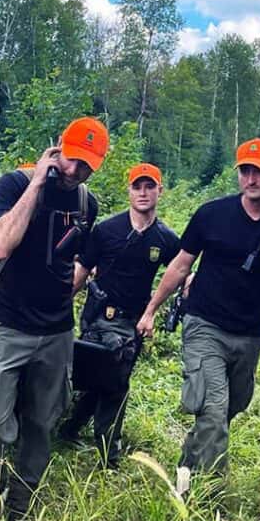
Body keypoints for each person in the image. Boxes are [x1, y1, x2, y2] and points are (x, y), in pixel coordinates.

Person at [138, 138, 260, 497]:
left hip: (250, 334)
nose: (251, 178)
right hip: (204, 324)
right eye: (245, 170)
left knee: (229, 409)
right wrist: (151, 310)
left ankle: (187, 469)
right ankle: (209, 500)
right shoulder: (212, 213)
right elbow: (180, 266)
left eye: (259, 170)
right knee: (212, 409)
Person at [0, 117, 108, 521]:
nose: (74, 171)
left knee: (41, 426)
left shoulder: (87, 204)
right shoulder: (15, 184)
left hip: (56, 332)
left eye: (85, 166)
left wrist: (66, 294)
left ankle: (19, 513)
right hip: (5, 325)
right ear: (56, 149)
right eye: (71, 160)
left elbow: (77, 260)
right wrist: (36, 185)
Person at [61, 162, 180, 467]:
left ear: (160, 191)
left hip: (132, 322)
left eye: (149, 186)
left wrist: (173, 302)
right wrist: (59, 305)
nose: (143, 192)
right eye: (137, 186)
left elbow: (181, 270)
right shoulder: (106, 230)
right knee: (90, 378)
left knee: (117, 383)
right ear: (129, 190)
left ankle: (107, 453)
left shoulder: (165, 238)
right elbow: (82, 270)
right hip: (97, 315)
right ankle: (69, 429)